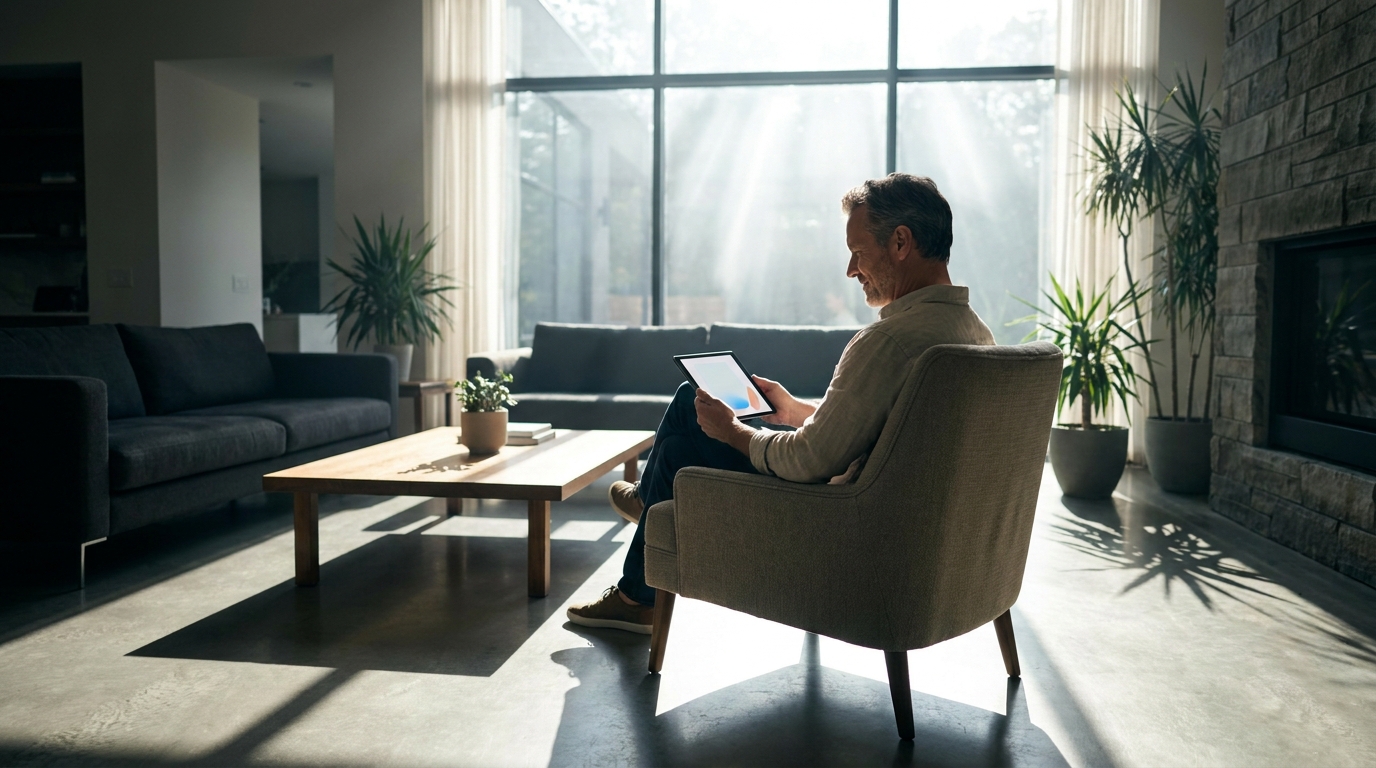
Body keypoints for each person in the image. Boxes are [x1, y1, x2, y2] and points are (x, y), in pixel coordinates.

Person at [566, 173, 995, 633]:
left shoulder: (889, 341)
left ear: (901, 242)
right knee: (680, 443)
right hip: (906, 526)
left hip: (835, 520)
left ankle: (648, 526)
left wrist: (734, 431)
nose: (851, 270)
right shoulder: (976, 336)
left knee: (683, 430)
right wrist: (794, 413)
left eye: (857, 252)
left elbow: (809, 460)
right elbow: (893, 430)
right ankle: (647, 527)